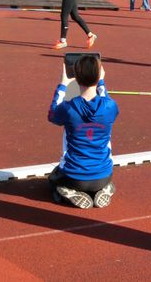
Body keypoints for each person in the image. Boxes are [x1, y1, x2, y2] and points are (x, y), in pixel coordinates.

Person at [47, 55, 119, 209]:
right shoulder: (110, 106)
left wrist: (63, 85)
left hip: (74, 177)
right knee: (100, 170)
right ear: (99, 75)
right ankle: (102, 189)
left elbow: (52, 115)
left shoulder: (68, 109)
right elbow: (104, 97)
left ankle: (69, 191)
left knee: (53, 177)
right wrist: (101, 82)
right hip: (104, 175)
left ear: (76, 78)